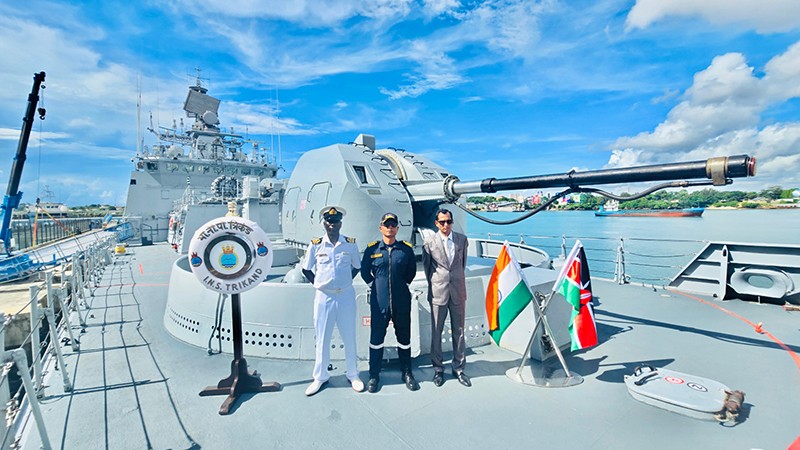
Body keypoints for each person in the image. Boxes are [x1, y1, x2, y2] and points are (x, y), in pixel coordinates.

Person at [301, 206, 364, 396]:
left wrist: (345, 282)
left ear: (340, 223)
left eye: (335, 221)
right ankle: (320, 376)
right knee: (322, 337)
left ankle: (353, 374)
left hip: (345, 295)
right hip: (324, 296)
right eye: (329, 221)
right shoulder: (316, 245)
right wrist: (319, 284)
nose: (332, 224)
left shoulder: (350, 244)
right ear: (324, 223)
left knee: (349, 335)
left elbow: (357, 266)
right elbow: (306, 269)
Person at [361, 212, 419, 393]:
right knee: (376, 339)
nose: (390, 228)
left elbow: (411, 272)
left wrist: (399, 286)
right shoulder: (372, 250)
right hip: (380, 302)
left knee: (404, 339)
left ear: (397, 229)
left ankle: (407, 372)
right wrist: (377, 287)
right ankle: (374, 375)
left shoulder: (405, 250)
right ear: (381, 228)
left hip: (401, 301)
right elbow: (364, 272)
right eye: (387, 225)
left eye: (393, 225)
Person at [422, 208, 471, 387]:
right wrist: (437, 283)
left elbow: (462, 264)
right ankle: (438, 369)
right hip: (438, 291)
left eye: (448, 221)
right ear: (436, 223)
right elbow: (428, 269)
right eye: (442, 222)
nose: (445, 225)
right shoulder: (429, 242)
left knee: (459, 330)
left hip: (458, 290)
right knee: (437, 331)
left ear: (452, 222)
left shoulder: (461, 240)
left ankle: (459, 368)